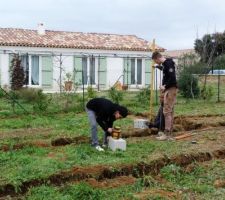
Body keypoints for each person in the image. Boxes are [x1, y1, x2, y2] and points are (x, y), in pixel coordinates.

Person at [152, 51, 178, 141]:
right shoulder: (165, 64)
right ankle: (169, 132)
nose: (156, 63)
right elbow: (164, 70)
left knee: (167, 111)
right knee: (169, 111)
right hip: (168, 89)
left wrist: (164, 86)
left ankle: (167, 134)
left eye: (155, 61)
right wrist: (157, 67)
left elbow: (172, 78)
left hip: (170, 89)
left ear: (157, 58)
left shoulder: (168, 63)